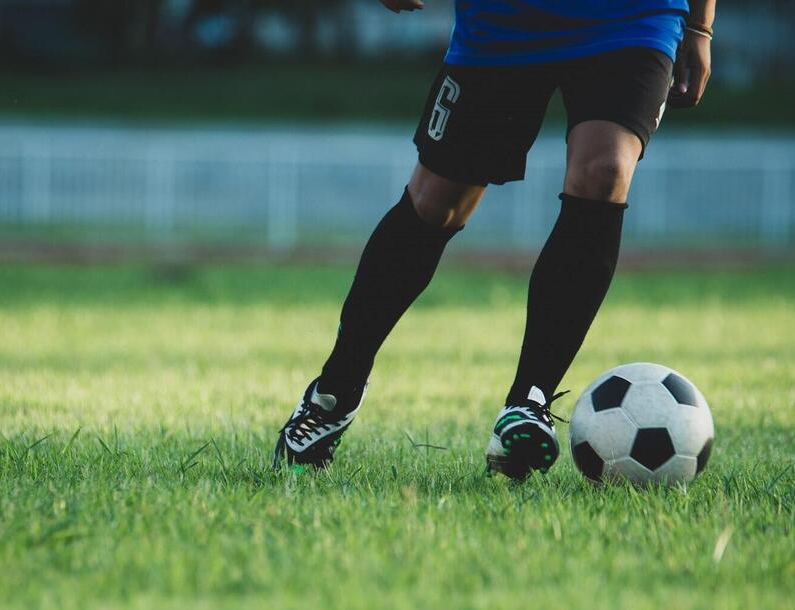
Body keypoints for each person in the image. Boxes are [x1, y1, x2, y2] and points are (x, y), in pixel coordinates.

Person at [274, 0, 715, 478]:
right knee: (436, 201)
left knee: (604, 170)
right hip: (505, 18)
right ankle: (334, 392)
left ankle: (529, 401)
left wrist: (701, 25)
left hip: (631, 16)